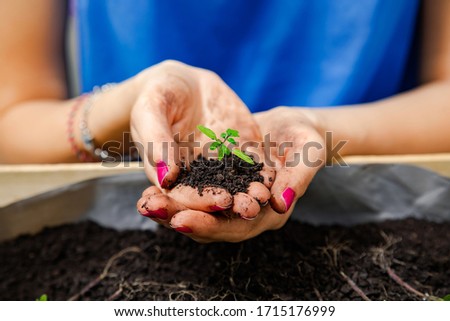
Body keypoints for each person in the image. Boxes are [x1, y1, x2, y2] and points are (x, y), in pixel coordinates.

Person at [0, 0, 449, 243]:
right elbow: (11, 121)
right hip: (117, 219)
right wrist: (129, 102)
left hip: (370, 209)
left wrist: (316, 128)